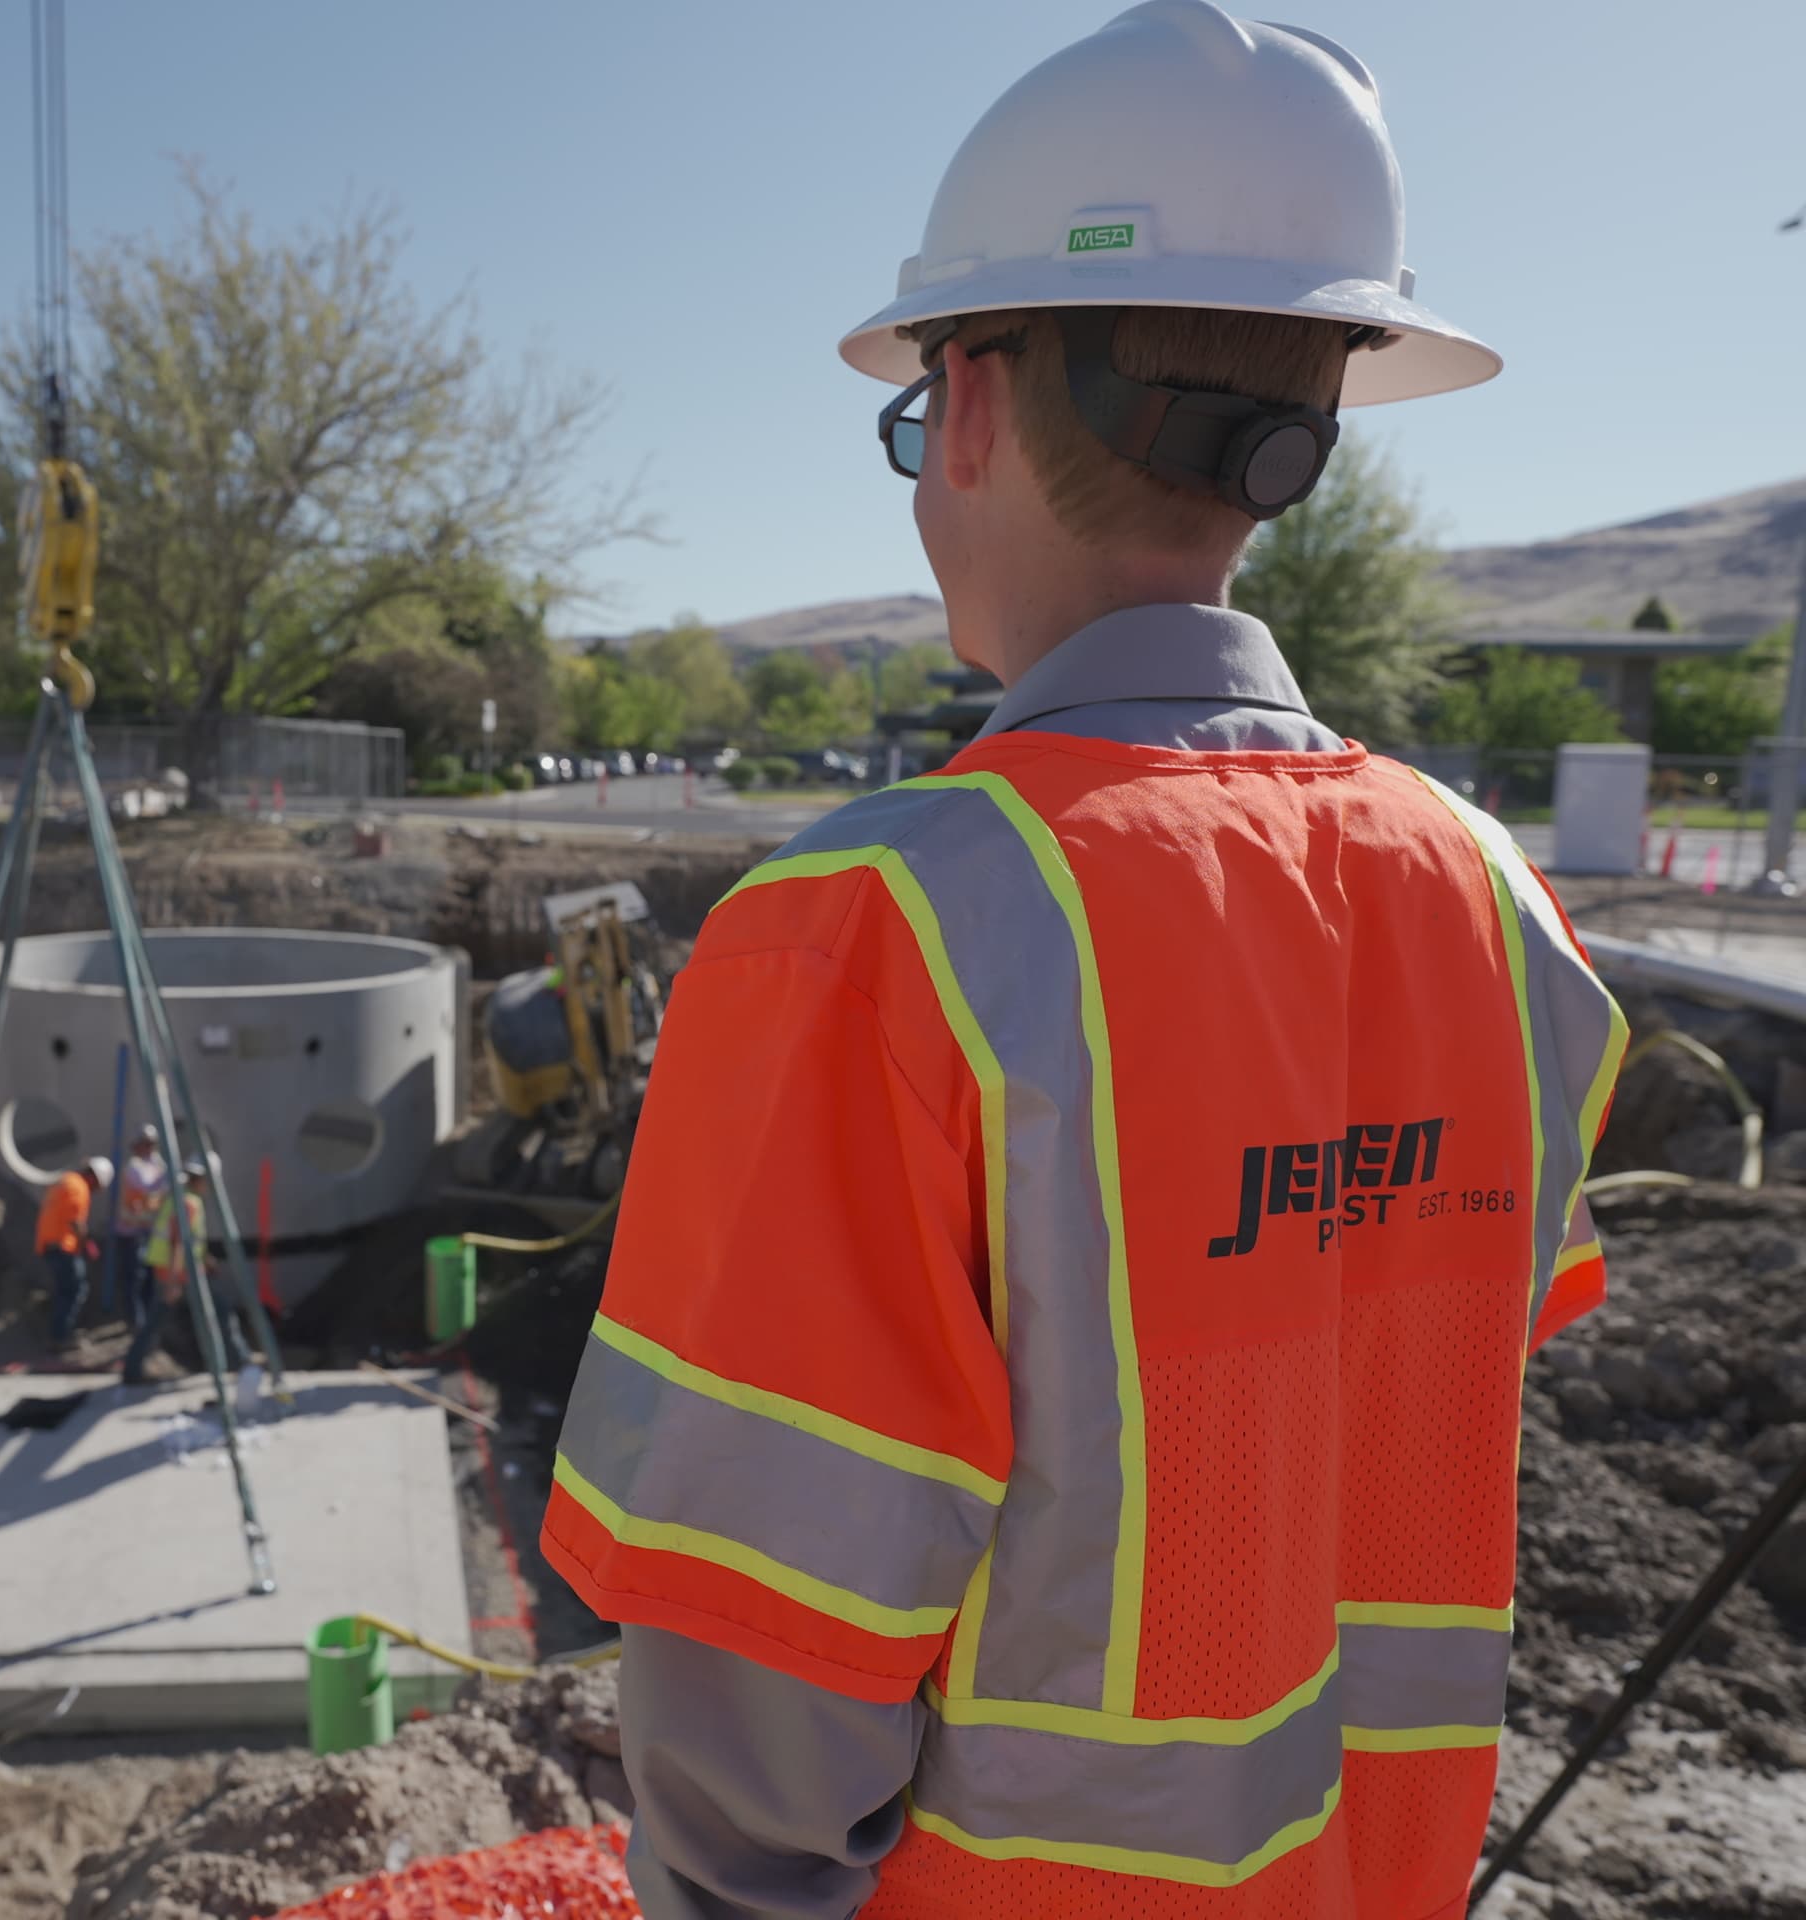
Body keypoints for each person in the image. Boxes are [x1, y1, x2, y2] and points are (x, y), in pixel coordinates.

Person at [540, 10, 1627, 1919]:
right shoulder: (1495, 905)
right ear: (1305, 430)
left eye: (908, 421)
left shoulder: (872, 938)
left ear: (968, 400)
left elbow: (761, 1697)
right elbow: (1373, 1384)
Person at [127, 1156, 250, 1388]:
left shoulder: (180, 1198)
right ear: (202, 1179)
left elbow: (190, 1240)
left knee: (156, 1322)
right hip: (180, 1276)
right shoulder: (188, 1203)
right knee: (221, 1313)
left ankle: (131, 1371)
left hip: (177, 1273)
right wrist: (174, 1281)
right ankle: (239, 1362)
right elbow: (178, 1242)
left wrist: (205, 1258)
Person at [33, 1155, 111, 1355]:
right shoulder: (78, 1187)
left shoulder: (64, 1181)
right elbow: (75, 1222)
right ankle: (61, 1337)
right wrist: (87, 1244)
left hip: (48, 1244)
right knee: (75, 1290)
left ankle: (57, 1334)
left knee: (64, 1292)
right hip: (63, 1247)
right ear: (94, 1178)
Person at [110, 1124, 169, 1318]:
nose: (149, 1148)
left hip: (147, 1231)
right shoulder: (134, 1167)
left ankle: (145, 1321)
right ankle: (135, 1322)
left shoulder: (155, 1164)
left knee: (148, 1281)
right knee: (133, 1280)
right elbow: (148, 1186)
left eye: (151, 1144)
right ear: (137, 1146)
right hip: (131, 1232)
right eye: (145, 1144)